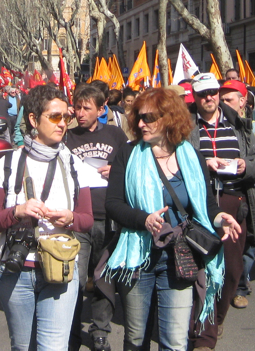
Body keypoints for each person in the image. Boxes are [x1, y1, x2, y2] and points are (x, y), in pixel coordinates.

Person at [103, 87, 241, 351]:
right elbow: (113, 205)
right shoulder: (128, 154)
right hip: (138, 258)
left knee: (176, 341)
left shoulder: (191, 156)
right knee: (135, 338)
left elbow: (206, 205)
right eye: (139, 117)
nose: (141, 123)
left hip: (179, 257)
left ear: (168, 118)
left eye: (149, 117)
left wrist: (221, 218)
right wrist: (143, 220)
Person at [0, 85, 94, 351]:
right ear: (33, 119)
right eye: (55, 117)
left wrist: (69, 218)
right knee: (23, 347)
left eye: (66, 117)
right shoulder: (7, 164)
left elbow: (87, 219)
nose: (63, 124)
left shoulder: (74, 164)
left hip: (61, 270)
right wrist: (16, 212)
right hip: (16, 271)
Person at [64, 84, 127, 351]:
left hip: (108, 218)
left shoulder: (116, 135)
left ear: (102, 109)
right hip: (78, 220)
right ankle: (71, 332)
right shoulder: (66, 137)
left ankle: (100, 330)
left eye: (86, 108)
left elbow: (131, 168)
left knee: (103, 279)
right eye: (77, 107)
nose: (80, 113)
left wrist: (115, 169)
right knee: (75, 281)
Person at [214, 79, 255, 314]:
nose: (224, 103)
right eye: (222, 98)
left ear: (242, 101)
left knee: (243, 248)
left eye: (229, 99)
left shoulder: (251, 128)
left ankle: (239, 287)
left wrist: (245, 166)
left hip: (243, 197)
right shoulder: (206, 126)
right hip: (213, 198)